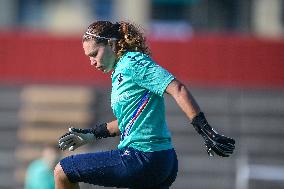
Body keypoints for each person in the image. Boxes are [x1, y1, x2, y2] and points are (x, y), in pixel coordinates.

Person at [54, 21, 235, 189]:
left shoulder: (132, 62)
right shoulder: (119, 71)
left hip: (143, 157)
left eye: (94, 54)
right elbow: (127, 120)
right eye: (88, 57)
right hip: (159, 161)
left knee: (63, 171)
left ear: (111, 44)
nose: (92, 62)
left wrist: (205, 130)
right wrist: (91, 135)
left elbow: (177, 88)